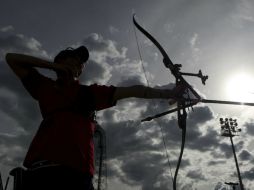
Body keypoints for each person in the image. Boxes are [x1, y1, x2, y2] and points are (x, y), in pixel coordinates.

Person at [5, 46, 183, 190]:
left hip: (78, 175)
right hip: (42, 171)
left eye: (81, 64)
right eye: (73, 59)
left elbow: (134, 90)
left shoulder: (89, 93)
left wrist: (170, 93)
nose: (79, 65)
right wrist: (53, 67)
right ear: (60, 61)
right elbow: (11, 58)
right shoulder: (45, 87)